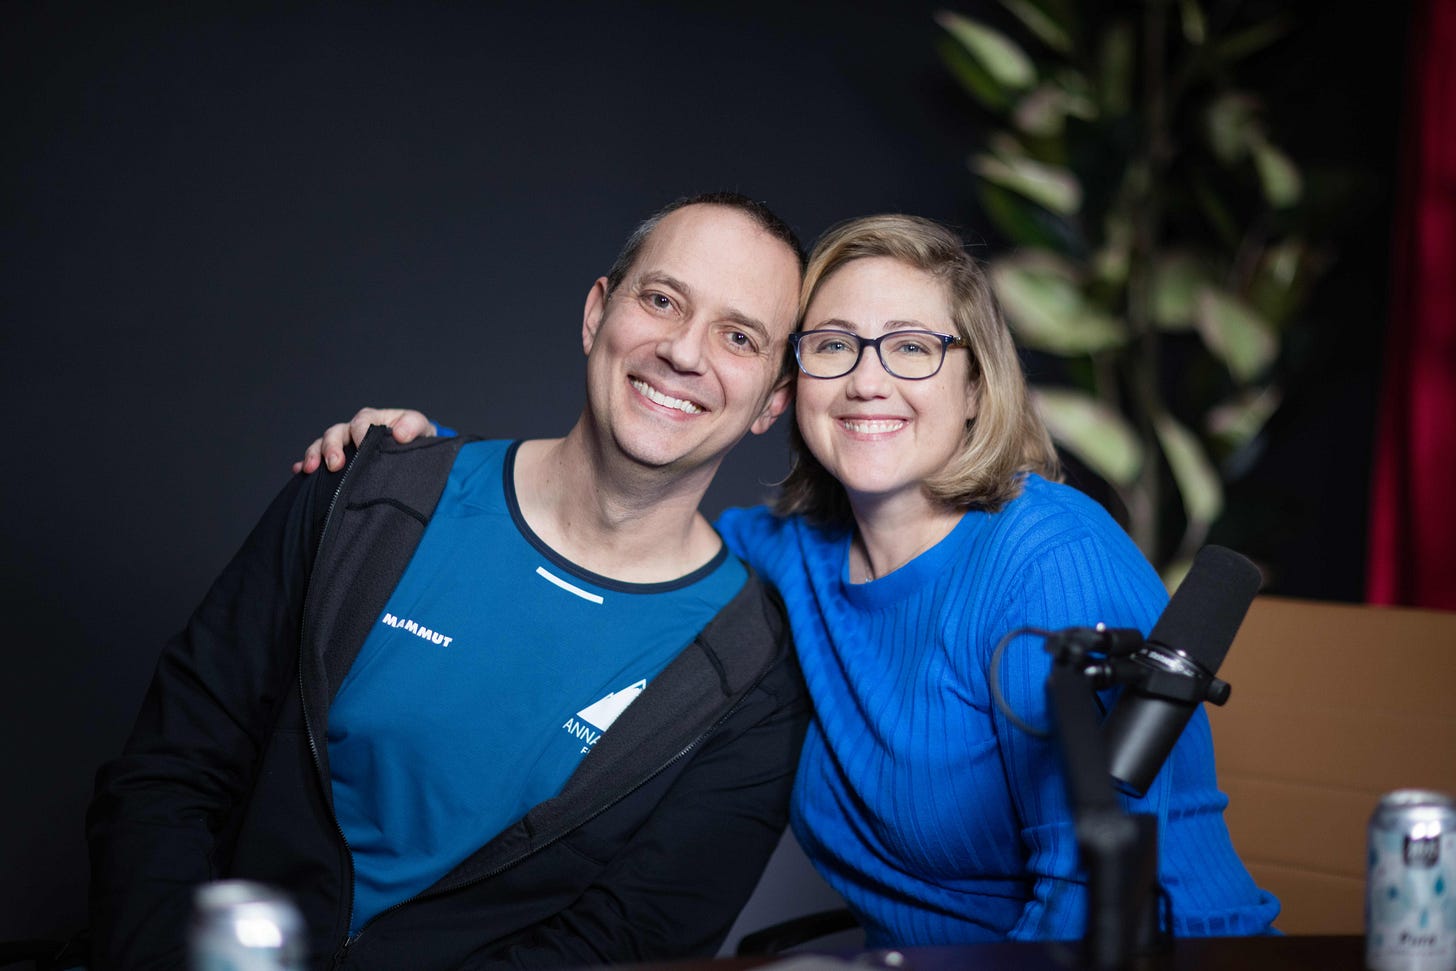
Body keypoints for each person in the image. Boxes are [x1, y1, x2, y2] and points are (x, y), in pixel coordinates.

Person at [308, 213, 1280, 948]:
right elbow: (616, 524)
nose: (867, 380)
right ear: (788, 385)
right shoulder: (784, 556)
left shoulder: (1050, 560)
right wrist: (435, 472)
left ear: (976, 384)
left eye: (912, 346)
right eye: (832, 344)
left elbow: (1091, 898)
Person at [87, 192, 812, 971]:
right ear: (596, 312)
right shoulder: (367, 498)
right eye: (662, 299)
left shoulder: (751, 673)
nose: (685, 351)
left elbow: (625, 944)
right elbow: (167, 779)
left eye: (740, 336)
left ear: (772, 400)